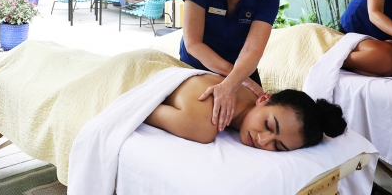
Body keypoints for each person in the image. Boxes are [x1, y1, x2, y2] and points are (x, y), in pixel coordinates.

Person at [179, 0, 283, 131]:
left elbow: (252, 50)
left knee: (259, 124)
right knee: (204, 122)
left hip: (241, 70)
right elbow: (193, 44)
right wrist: (238, 81)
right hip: (198, 66)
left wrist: (234, 82)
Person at [144, 74, 346, 150]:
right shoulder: (203, 126)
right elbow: (143, 107)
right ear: (264, 98)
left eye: (278, 146)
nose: (262, 140)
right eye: (268, 125)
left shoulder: (248, 87)